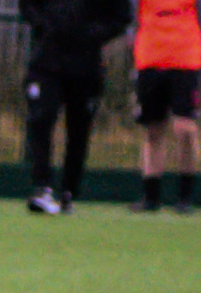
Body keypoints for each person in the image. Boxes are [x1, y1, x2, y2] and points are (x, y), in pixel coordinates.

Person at [20, 0, 133, 212]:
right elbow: (27, 6)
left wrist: (91, 34)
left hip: (86, 66)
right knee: (41, 119)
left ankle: (68, 190)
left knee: (79, 129)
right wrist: (44, 26)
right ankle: (41, 186)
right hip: (47, 61)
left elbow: (121, 18)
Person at [130, 0, 201, 212]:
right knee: (152, 130)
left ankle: (184, 197)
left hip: (185, 61)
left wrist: (193, 47)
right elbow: (132, 18)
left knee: (185, 128)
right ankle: (151, 196)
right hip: (149, 59)